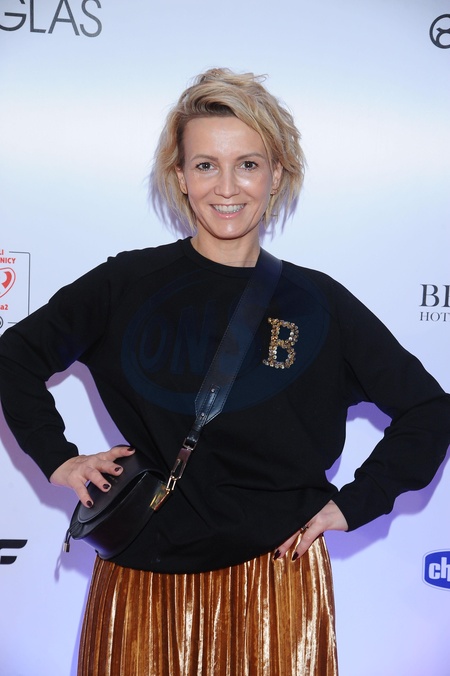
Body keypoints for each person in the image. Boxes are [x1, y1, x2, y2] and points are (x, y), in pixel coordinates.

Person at [0, 68, 449, 676]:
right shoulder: (127, 283)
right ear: (180, 176)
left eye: (249, 164)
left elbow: (429, 410)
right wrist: (59, 458)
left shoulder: (318, 303)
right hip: (142, 581)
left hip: (276, 586)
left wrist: (357, 504)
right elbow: (15, 358)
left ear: (276, 175)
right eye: (206, 165)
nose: (227, 186)